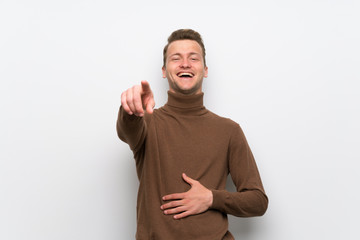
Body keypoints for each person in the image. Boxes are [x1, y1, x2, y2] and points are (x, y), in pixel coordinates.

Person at [117, 29, 268, 240]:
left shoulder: (229, 130)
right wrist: (131, 109)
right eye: (176, 58)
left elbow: (258, 201)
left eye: (193, 58)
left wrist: (211, 198)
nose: (185, 64)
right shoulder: (147, 123)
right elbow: (126, 129)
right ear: (164, 70)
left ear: (205, 70)